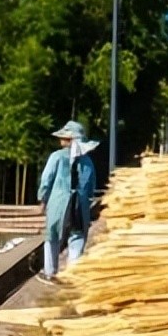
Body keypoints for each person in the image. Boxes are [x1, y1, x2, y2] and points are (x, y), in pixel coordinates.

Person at [38, 120, 99, 282]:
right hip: (80, 205)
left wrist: (43, 200)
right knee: (77, 237)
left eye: (64, 137)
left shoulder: (56, 157)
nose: (61, 140)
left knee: (52, 236)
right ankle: (73, 274)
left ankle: (50, 272)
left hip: (59, 204)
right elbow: (91, 186)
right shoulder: (88, 162)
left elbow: (46, 180)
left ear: (70, 140)